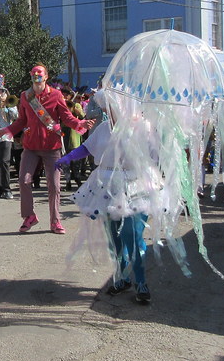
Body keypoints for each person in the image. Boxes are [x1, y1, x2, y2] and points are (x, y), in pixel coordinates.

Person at [57, 90, 158, 304]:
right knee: (114, 237)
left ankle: (141, 281)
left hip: (136, 186)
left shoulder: (144, 127)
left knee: (133, 233)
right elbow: (86, 147)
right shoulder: (104, 128)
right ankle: (121, 278)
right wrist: (67, 158)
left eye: (108, 106)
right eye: (104, 106)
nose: (104, 110)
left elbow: (156, 156)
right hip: (108, 187)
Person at [0, 64, 91, 234]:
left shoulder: (56, 95)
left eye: (39, 72)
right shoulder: (25, 96)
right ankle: (29, 217)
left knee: (54, 186)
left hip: (51, 148)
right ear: (30, 75)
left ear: (46, 76)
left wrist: (80, 123)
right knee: (23, 180)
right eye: (33, 72)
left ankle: (55, 221)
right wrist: (8, 131)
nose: (36, 74)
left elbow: (66, 117)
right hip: (31, 147)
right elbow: (21, 120)